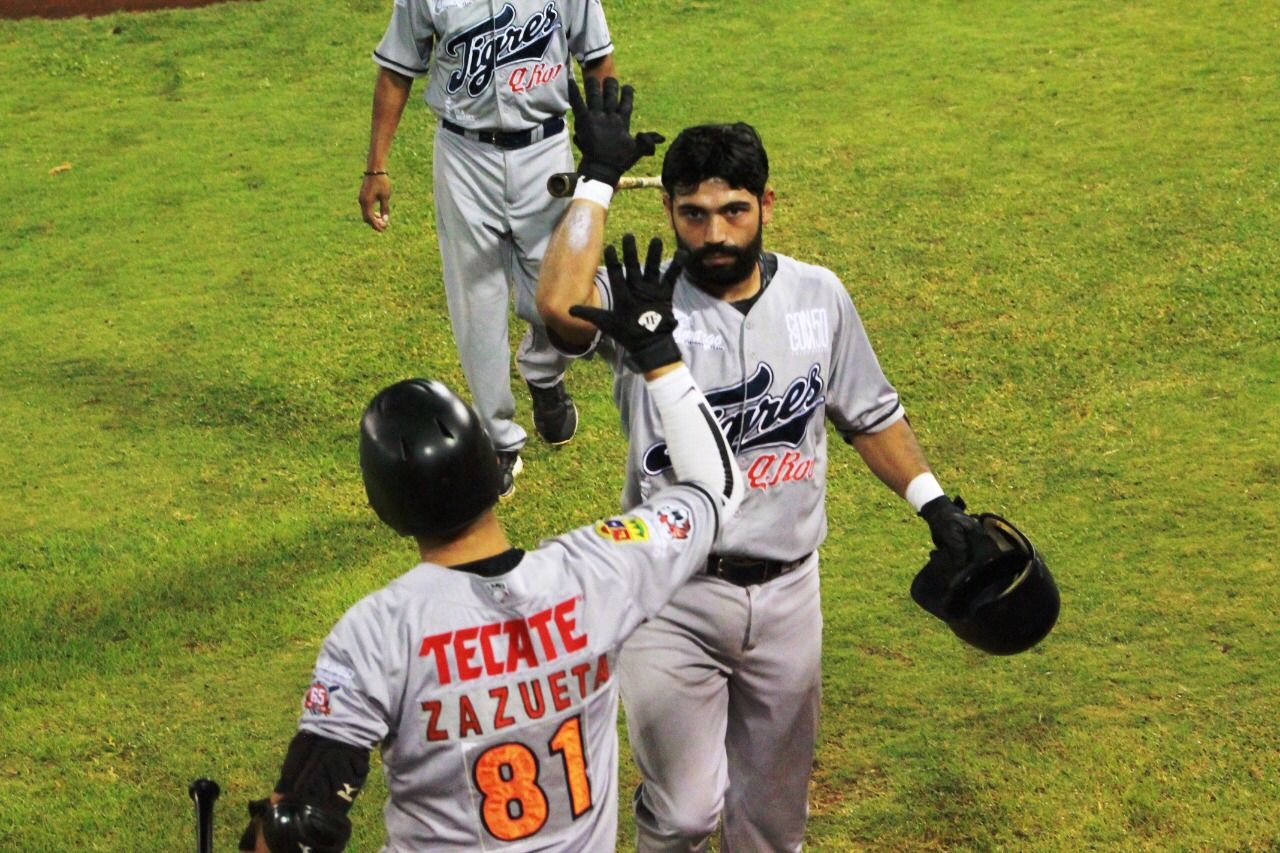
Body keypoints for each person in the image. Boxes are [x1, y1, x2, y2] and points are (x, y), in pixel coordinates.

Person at [537, 78, 986, 851]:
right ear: (669, 210)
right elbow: (556, 305)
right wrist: (598, 180)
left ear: (766, 205)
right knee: (683, 813)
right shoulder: (643, 298)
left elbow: (868, 413)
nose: (714, 233)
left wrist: (934, 503)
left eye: (733, 211)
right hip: (670, 595)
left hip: (787, 598)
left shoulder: (820, 295)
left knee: (774, 827)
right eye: (693, 214)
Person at [237, 237, 744, 853]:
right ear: (490, 468)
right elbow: (715, 489)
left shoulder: (377, 631)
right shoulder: (600, 570)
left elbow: (305, 828)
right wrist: (659, 356)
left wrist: (268, 826)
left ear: (386, 508)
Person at [357, 0, 622, 498]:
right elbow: (396, 71)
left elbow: (598, 57)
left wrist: (603, 138)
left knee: (557, 291)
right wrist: (377, 166)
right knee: (475, 300)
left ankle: (544, 372)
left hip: (546, 152)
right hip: (463, 156)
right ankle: (498, 440)